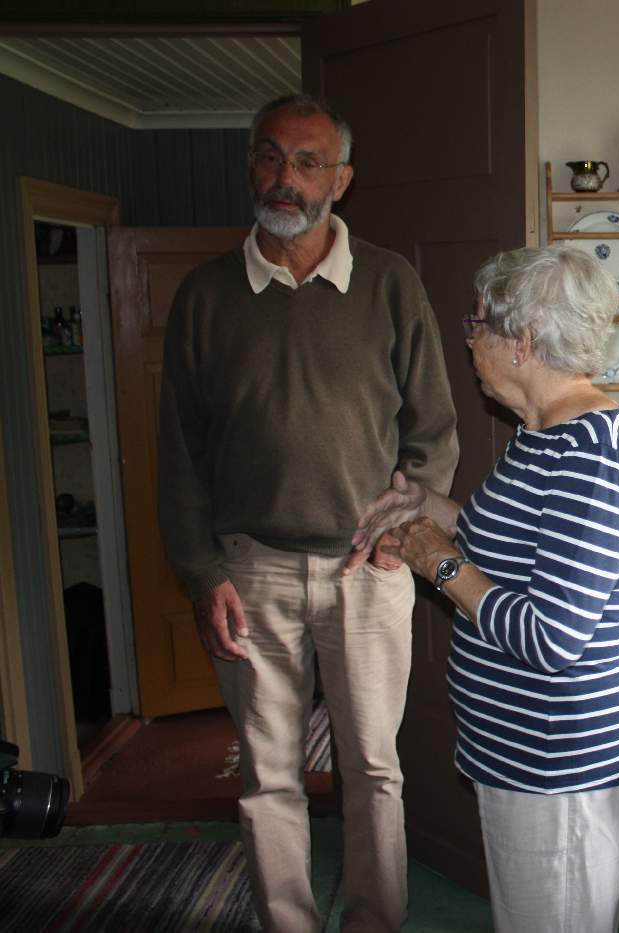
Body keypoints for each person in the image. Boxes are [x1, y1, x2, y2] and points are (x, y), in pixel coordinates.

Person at [157, 93, 459, 933]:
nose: (284, 177)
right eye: (268, 156)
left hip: (368, 571)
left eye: (307, 161)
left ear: (342, 178)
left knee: (374, 770)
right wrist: (201, 572)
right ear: (251, 164)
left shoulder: (391, 283)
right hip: (250, 570)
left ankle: (374, 922)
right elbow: (179, 452)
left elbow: (433, 430)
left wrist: (404, 530)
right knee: (269, 775)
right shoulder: (205, 296)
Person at [346, 245, 619, 933]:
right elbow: (514, 551)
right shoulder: (542, 435)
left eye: (476, 323)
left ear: (521, 341)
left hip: (559, 760)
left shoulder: (590, 454)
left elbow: (552, 637)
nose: (469, 338)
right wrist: (427, 506)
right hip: (523, 750)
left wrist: (440, 565)